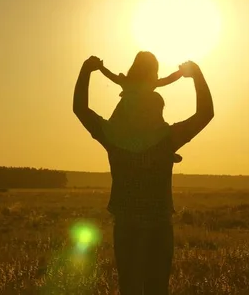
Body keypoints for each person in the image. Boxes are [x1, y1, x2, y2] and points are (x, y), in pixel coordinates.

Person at [73, 52, 214, 295]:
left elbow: (80, 109)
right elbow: (205, 114)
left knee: (130, 289)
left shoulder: (112, 136)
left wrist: (87, 70)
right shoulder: (167, 139)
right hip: (159, 225)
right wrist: (197, 75)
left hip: (126, 226)